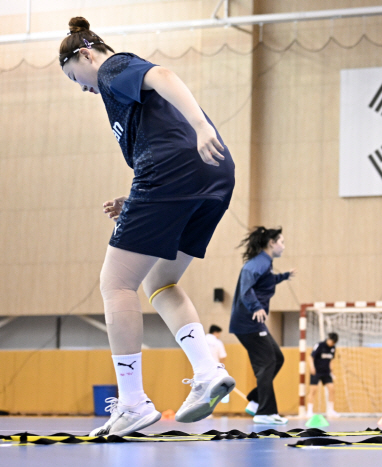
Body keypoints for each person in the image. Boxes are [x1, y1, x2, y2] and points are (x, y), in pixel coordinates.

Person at [59, 17, 236, 437]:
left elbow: (164, 76)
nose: (82, 87)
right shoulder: (117, 97)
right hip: (212, 175)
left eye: (74, 77)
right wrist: (133, 199)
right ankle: (208, 370)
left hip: (175, 170)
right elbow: (156, 141)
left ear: (85, 55)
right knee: (161, 282)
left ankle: (133, 403)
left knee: (115, 284)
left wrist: (201, 124)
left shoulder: (111, 68)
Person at [229, 227, 295, 425]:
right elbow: (246, 289)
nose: (283, 246)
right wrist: (256, 307)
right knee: (266, 363)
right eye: (281, 241)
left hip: (253, 323)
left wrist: (283, 277)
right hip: (248, 322)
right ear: (271, 243)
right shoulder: (257, 263)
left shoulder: (266, 264)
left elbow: (266, 282)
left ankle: (257, 401)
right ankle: (265, 412)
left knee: (277, 358)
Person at [307, 333, 339, 418]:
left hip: (326, 372)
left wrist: (332, 372)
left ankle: (330, 411)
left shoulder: (332, 348)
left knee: (332, 389)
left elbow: (331, 361)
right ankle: (309, 411)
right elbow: (310, 357)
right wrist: (312, 367)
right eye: (331, 342)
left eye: (333, 343)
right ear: (328, 339)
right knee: (313, 390)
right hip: (316, 371)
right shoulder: (319, 345)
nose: (332, 344)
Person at [206, 325, 230, 404]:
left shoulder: (202, 340)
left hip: (202, 369)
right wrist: (222, 368)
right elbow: (222, 356)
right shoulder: (217, 342)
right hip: (214, 369)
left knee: (205, 390)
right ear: (216, 332)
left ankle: (203, 408)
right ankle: (224, 398)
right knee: (215, 388)